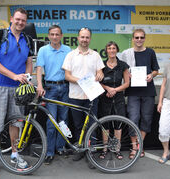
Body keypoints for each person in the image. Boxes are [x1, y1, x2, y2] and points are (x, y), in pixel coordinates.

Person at [0, 8, 34, 177]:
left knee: (16, 123)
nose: (20, 23)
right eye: (18, 19)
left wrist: (27, 76)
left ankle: (14, 154)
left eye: (23, 21)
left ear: (26, 22)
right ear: (12, 19)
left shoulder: (28, 39)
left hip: (18, 89)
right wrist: (13, 75)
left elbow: (29, 62)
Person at [62, 27, 105, 162]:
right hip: (75, 96)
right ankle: (80, 149)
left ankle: (90, 154)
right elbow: (67, 76)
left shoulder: (96, 55)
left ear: (90, 39)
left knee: (92, 125)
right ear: (78, 38)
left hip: (92, 97)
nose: (84, 39)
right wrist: (81, 81)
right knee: (78, 125)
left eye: (87, 37)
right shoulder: (71, 55)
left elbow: (101, 72)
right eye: (82, 37)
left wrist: (100, 74)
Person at [121, 28, 159, 159]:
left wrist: (151, 75)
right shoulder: (126, 54)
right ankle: (133, 146)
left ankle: (139, 145)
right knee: (133, 118)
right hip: (132, 92)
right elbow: (122, 69)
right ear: (132, 39)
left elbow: (156, 70)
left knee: (146, 119)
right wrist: (127, 73)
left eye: (141, 37)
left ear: (144, 38)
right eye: (136, 37)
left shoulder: (150, 52)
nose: (139, 40)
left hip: (148, 91)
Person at [36, 25, 71, 165]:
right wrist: (39, 85)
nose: (55, 37)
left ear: (61, 35)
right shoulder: (43, 50)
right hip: (50, 88)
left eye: (57, 34)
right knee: (51, 122)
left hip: (66, 88)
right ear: (48, 35)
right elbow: (39, 68)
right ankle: (50, 152)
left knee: (63, 120)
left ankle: (60, 147)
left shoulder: (68, 50)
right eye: (52, 34)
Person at [99, 41, 130, 160]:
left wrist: (115, 90)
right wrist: (107, 88)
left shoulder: (123, 65)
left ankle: (117, 149)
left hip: (118, 98)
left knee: (118, 124)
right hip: (105, 97)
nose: (111, 50)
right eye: (109, 48)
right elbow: (98, 82)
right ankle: (105, 149)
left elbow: (127, 83)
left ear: (117, 50)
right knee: (105, 125)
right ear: (106, 51)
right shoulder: (101, 65)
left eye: (113, 48)